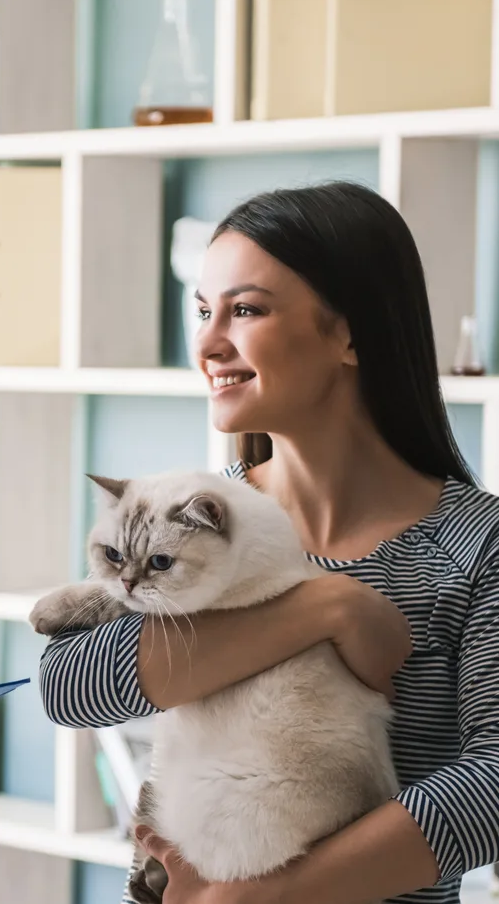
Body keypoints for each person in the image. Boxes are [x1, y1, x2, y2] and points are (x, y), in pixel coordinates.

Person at [40, 181, 499, 904]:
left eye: (244, 309)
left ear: (348, 333)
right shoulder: (187, 526)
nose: (206, 341)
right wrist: (326, 608)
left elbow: (493, 783)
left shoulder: (475, 545)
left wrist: (258, 898)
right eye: (201, 311)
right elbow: (67, 686)